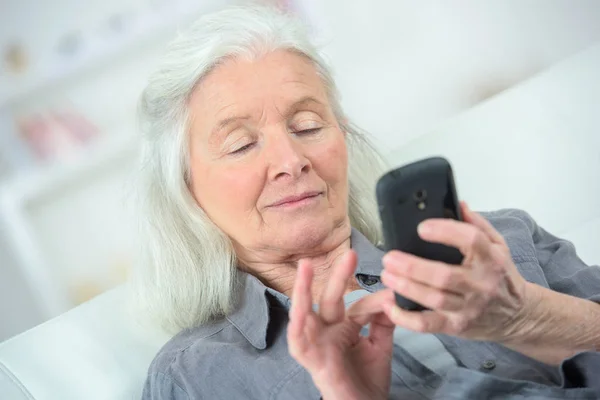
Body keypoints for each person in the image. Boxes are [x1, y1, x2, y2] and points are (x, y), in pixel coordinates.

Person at [134, 5, 600, 399]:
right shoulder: (195, 374)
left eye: (308, 126)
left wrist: (531, 317)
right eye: (240, 144)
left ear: (344, 138)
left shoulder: (503, 243)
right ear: (186, 189)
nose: (291, 161)